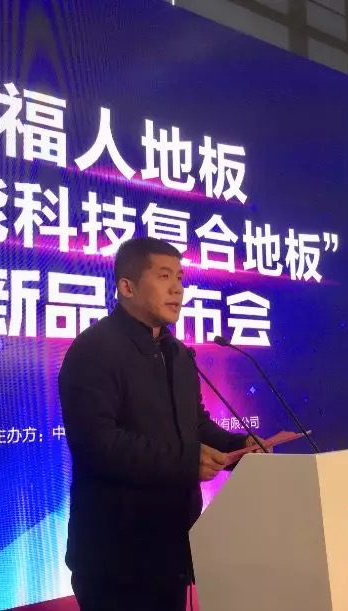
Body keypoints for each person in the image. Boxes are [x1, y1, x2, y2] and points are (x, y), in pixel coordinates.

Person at [58, 237, 264, 611]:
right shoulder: (94, 350)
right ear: (127, 287)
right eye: (164, 276)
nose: (177, 289)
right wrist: (185, 461)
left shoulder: (177, 353)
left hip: (172, 549)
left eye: (180, 278)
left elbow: (194, 424)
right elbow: (98, 445)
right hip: (116, 558)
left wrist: (242, 448)